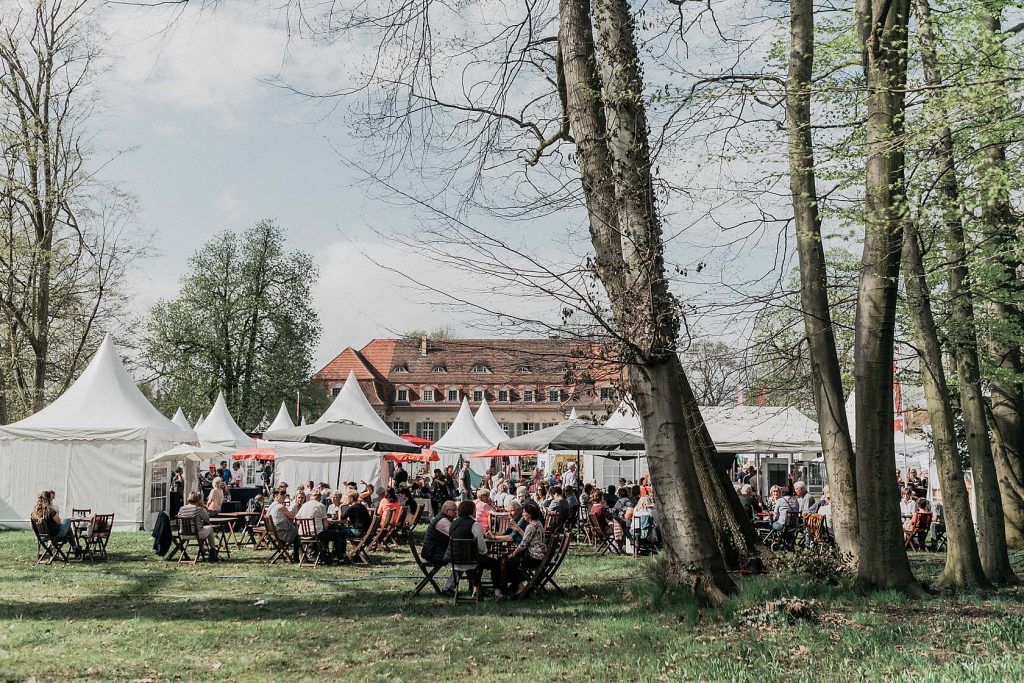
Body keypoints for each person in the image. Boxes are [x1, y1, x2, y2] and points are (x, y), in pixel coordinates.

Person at [447, 499, 501, 599]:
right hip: (472, 562)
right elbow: (482, 548)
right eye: (475, 509)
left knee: (479, 560)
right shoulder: (474, 524)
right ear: (471, 511)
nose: (476, 511)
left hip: (455, 561)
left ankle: (476, 589)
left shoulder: (453, 523)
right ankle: (497, 591)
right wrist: (485, 553)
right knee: (494, 563)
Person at [500, 502, 547, 596]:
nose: (523, 514)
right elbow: (527, 537)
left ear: (530, 514)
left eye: (525, 512)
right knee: (512, 560)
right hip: (541, 555)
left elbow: (523, 545)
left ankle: (519, 587)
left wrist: (513, 554)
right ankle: (514, 586)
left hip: (535, 558)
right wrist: (518, 529)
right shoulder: (537, 523)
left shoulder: (530, 526)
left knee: (509, 562)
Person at [297, 492, 349, 563]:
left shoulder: (304, 505)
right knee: (337, 534)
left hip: (302, 534)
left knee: (326, 534)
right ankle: (339, 557)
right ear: (319, 498)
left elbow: (297, 520)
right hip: (316, 534)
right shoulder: (321, 505)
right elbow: (326, 525)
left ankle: (324, 554)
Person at [30, 490, 81, 557]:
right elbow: (59, 522)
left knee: (68, 528)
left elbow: (32, 527)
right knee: (67, 520)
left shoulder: (34, 513)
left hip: (41, 536)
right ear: (49, 500)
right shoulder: (50, 511)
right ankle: (75, 547)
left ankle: (75, 547)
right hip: (54, 535)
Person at [421, 500, 458, 566]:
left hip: (436, 552)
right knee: (462, 556)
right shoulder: (443, 521)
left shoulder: (444, 518)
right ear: (447, 511)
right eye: (454, 510)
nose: (456, 512)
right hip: (433, 555)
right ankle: (461, 572)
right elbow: (456, 536)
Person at [268, 488, 299, 561]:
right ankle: (296, 557)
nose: (284, 496)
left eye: (284, 494)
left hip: (274, 533)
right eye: (282, 494)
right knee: (299, 534)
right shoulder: (280, 507)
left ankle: (289, 554)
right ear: (276, 496)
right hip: (282, 534)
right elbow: (293, 516)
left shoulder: (271, 506)